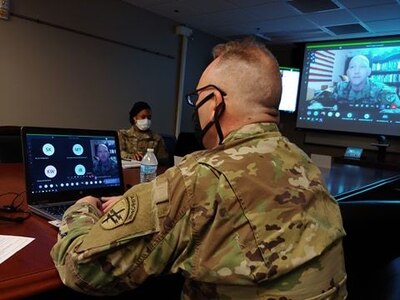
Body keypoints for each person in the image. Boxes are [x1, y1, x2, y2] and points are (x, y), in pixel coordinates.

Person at [51, 38, 347, 299]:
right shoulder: (303, 162)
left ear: (215, 102)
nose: (197, 110)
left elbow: (81, 270)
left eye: (197, 99)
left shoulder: (200, 177)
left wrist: (82, 209)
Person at [309, 54, 400, 112]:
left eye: (362, 67)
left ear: (369, 72)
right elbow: (322, 99)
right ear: (347, 72)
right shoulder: (340, 87)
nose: (356, 71)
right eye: (352, 67)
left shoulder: (383, 90)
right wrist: (318, 104)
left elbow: (398, 110)